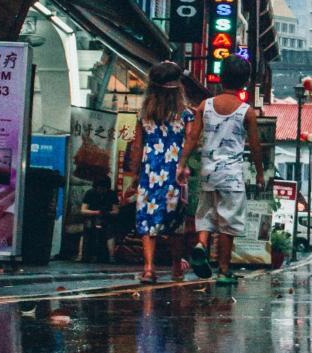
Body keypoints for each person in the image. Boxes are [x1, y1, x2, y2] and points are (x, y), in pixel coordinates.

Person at [178, 55, 264, 282]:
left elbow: (192, 137)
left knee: (206, 213)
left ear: (221, 77)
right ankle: (224, 270)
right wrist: (260, 173)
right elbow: (255, 146)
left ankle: (201, 243)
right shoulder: (247, 112)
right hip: (232, 176)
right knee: (228, 222)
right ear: (245, 81)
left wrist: (182, 163)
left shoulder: (204, 106)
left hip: (208, 171)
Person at [123, 61, 193, 285]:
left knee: (148, 219)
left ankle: (149, 268)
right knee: (175, 222)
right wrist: (184, 164)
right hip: (175, 172)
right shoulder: (186, 114)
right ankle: (176, 266)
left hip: (150, 172)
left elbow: (137, 147)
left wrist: (134, 177)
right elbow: (191, 142)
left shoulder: (144, 115)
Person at [80, 173, 118, 263]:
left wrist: (107, 213)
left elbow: (116, 211)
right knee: (86, 230)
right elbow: (83, 210)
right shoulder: (90, 193)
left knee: (110, 232)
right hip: (92, 217)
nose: (102, 190)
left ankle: (112, 256)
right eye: (100, 188)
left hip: (106, 217)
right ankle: (81, 255)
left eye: (104, 188)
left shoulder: (111, 194)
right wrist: (95, 212)